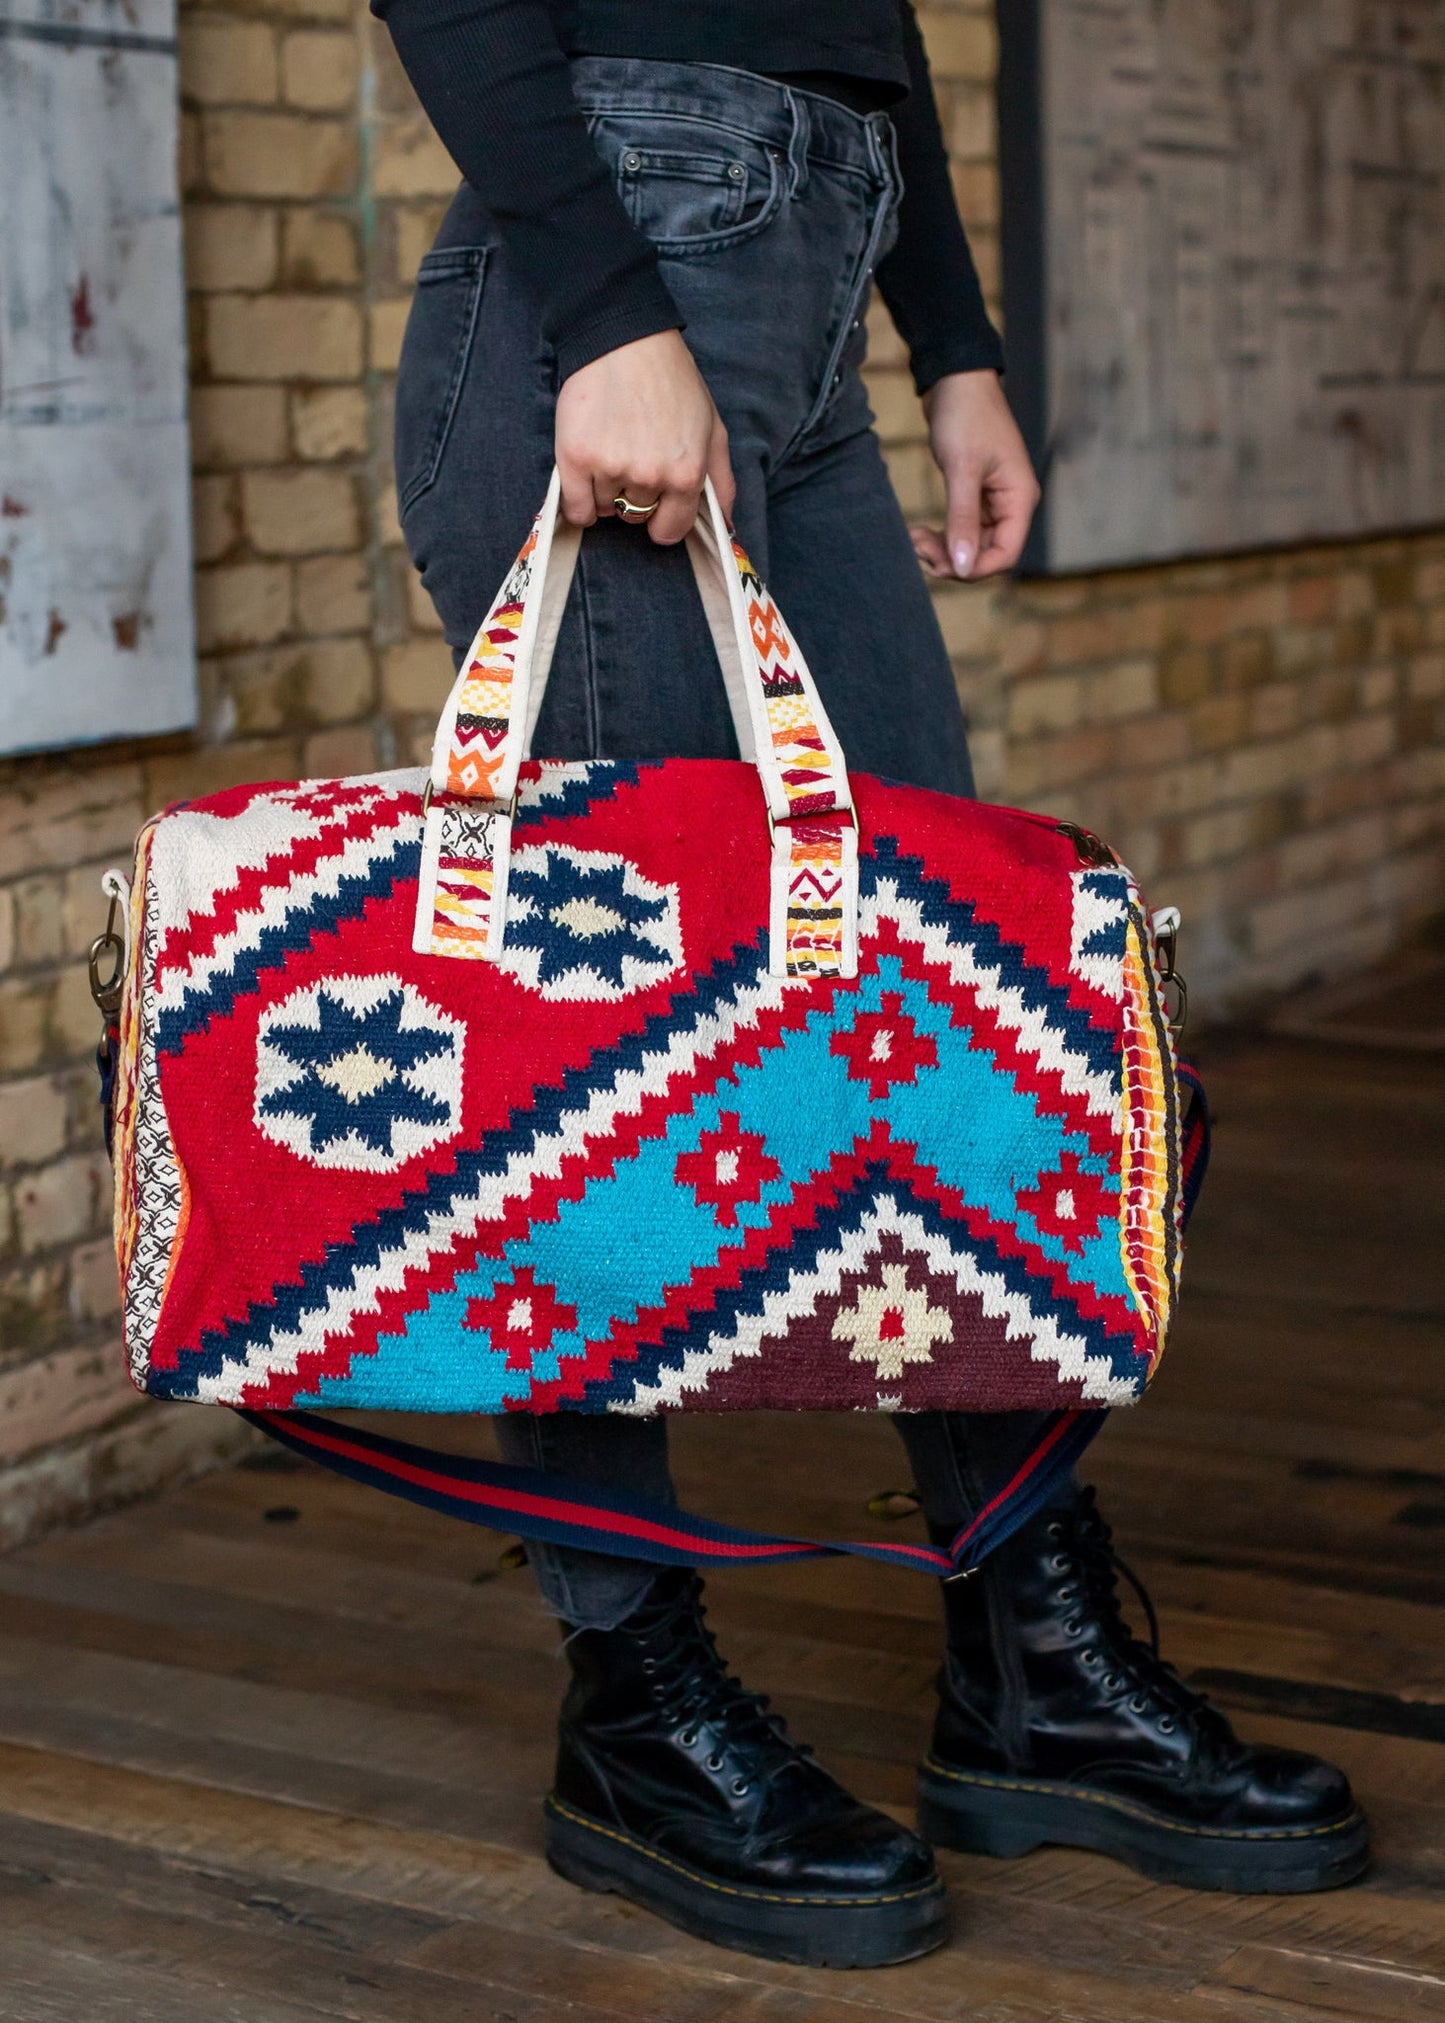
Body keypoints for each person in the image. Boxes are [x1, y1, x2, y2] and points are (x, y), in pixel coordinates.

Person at [375, 0, 1368, 1967]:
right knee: (605, 1056)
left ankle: (1036, 1661)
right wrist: (612, 311)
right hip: (624, 265)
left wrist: (958, 346)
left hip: (810, 291)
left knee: (938, 1018)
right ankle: (634, 1698)